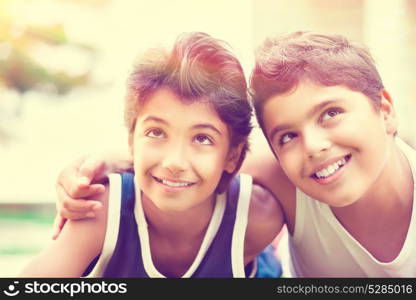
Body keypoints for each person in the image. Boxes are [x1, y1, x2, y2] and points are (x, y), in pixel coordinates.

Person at [53, 31, 416, 277]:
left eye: (331, 113)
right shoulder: (285, 173)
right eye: (287, 135)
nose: (314, 145)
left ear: (384, 110)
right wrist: (91, 169)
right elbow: (186, 163)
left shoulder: (298, 167)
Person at [19, 32, 283, 278]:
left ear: (232, 157)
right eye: (156, 132)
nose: (174, 163)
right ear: (131, 140)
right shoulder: (102, 208)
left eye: (202, 138)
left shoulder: (257, 218)